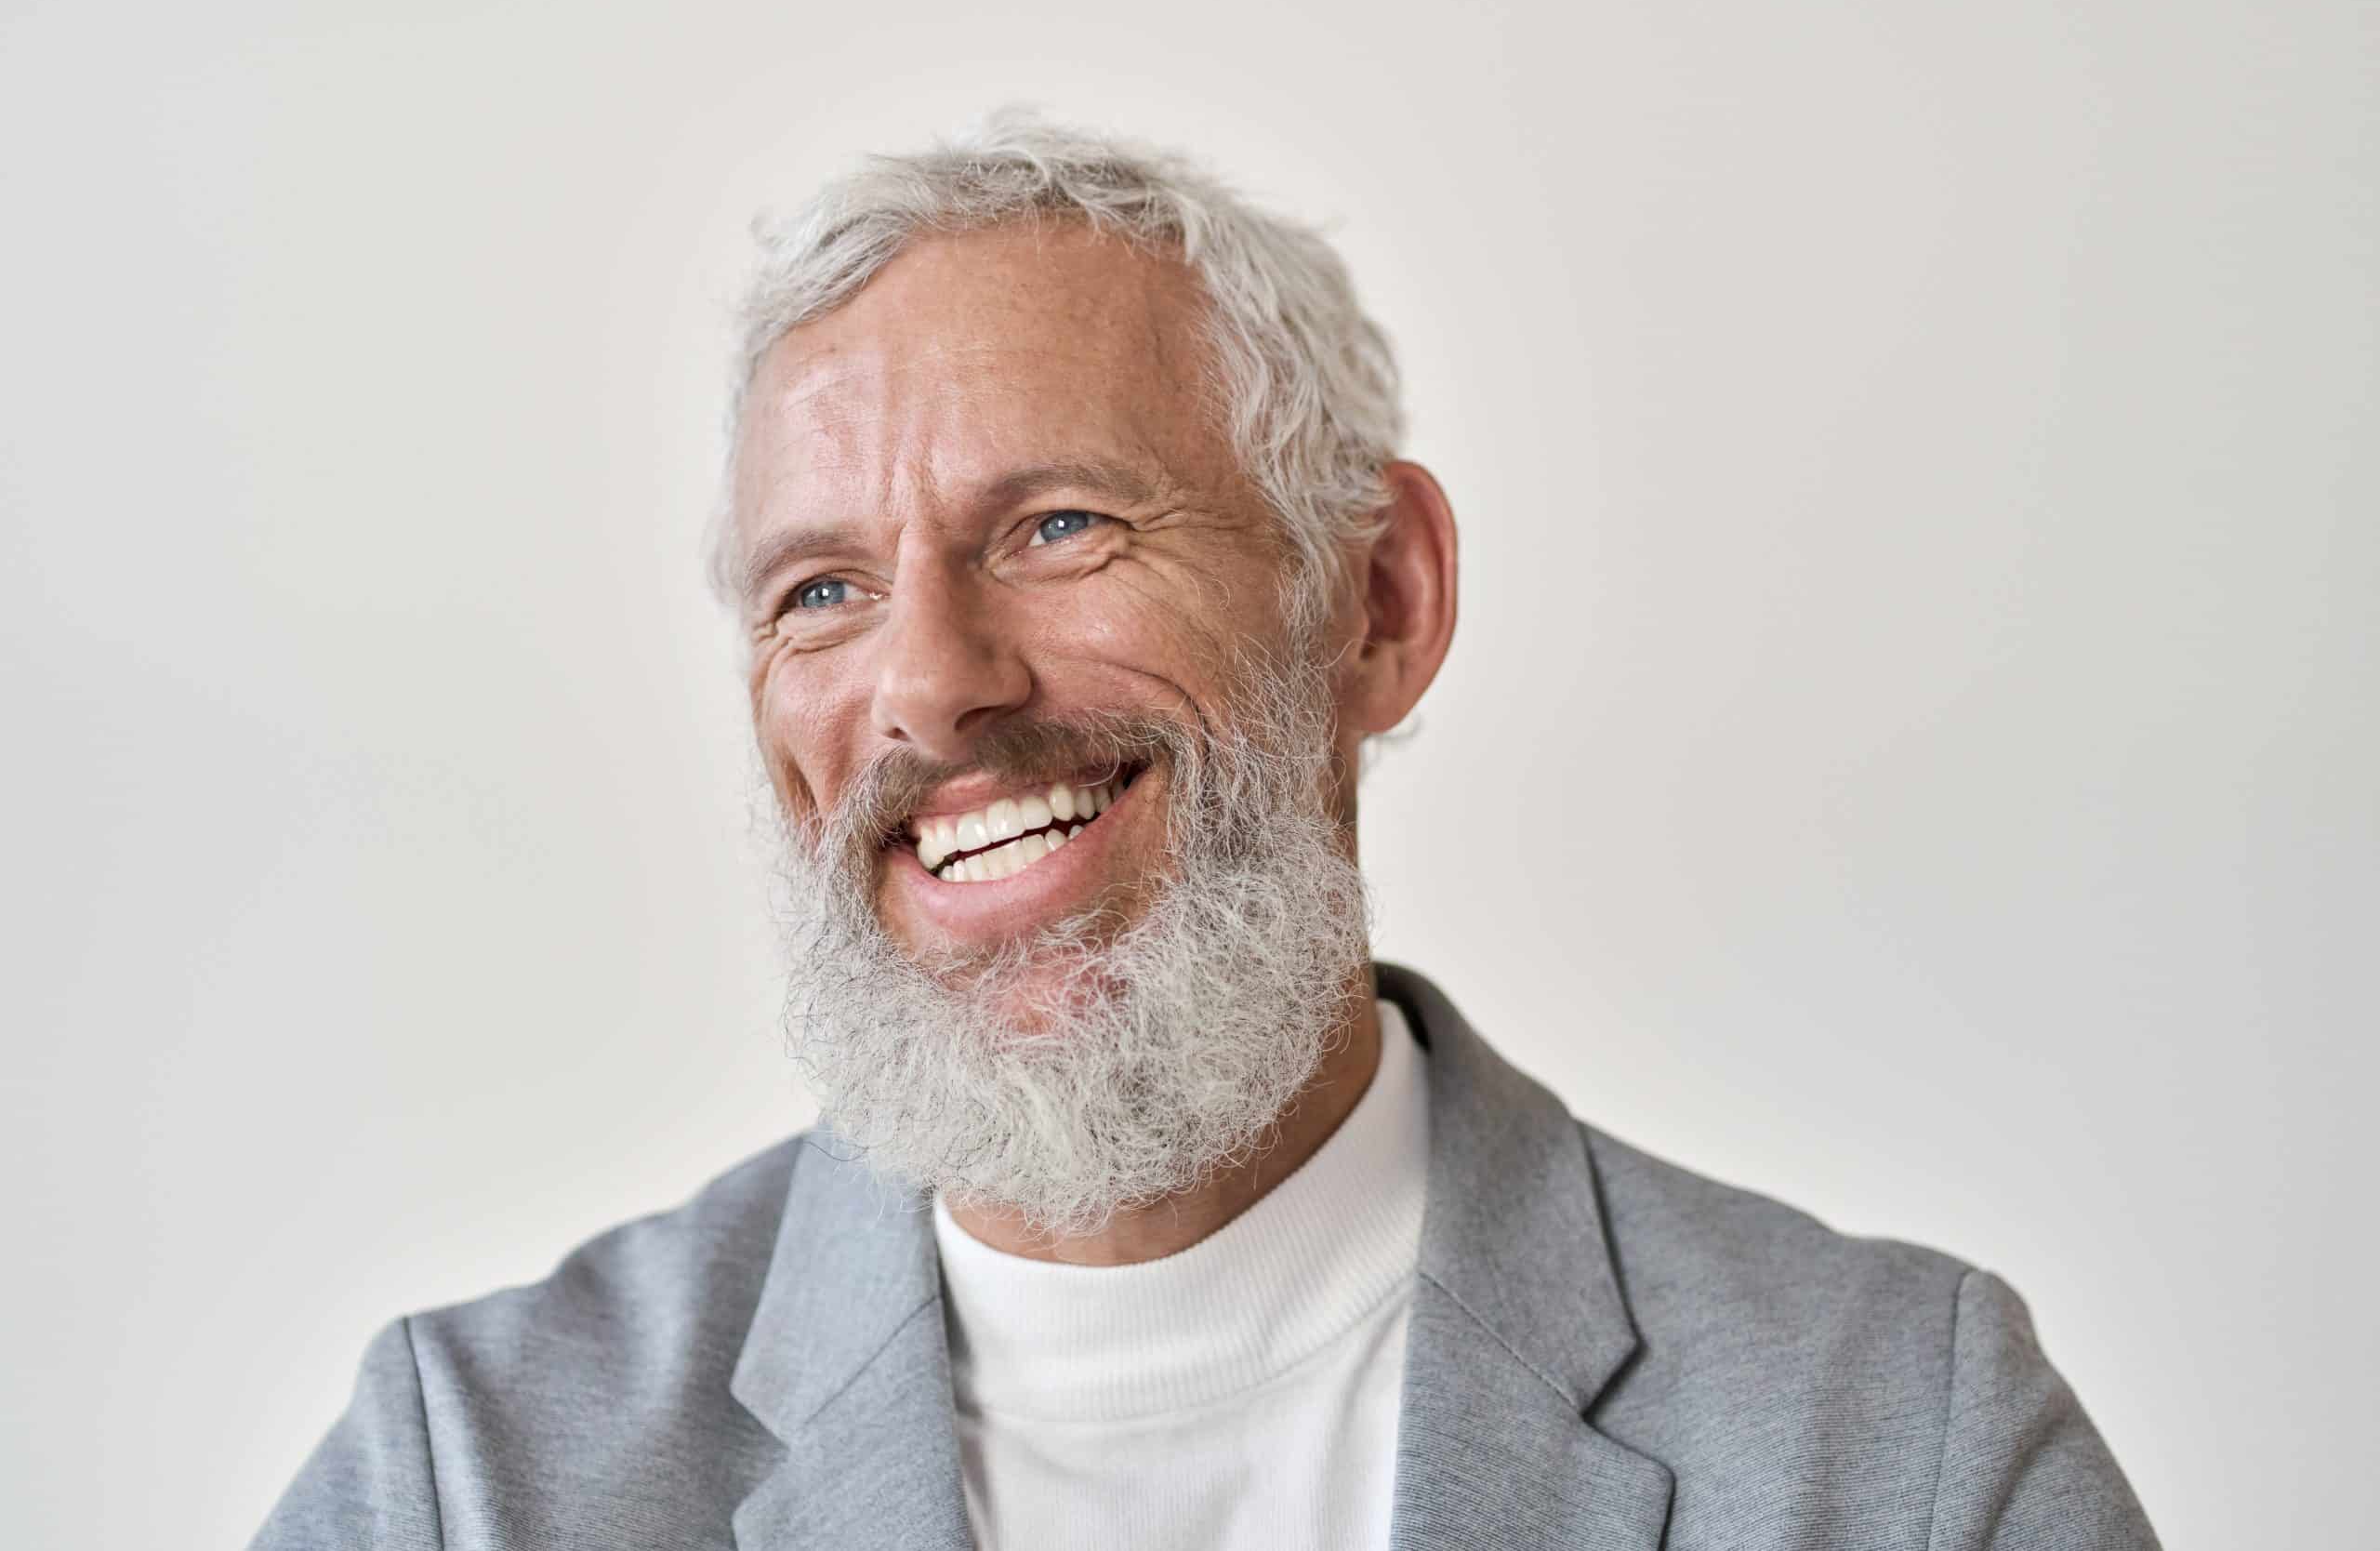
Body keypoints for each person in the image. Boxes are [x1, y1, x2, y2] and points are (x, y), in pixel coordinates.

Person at [253, 113, 2161, 1550]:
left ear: (1376, 598)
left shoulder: (1888, 1445)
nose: (926, 685)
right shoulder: (475, 1473)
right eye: (818, 590)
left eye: (1058, 525)